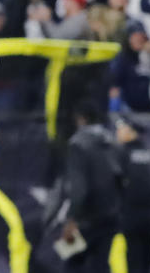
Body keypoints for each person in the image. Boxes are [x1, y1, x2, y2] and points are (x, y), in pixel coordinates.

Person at [61, 101, 124, 273]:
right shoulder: (111, 141)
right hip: (110, 216)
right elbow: (120, 177)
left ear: (81, 119)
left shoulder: (77, 144)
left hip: (85, 219)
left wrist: (72, 219)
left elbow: (79, 188)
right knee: (100, 266)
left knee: (71, 264)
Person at [116, 116, 150, 273]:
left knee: (133, 263)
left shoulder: (120, 153)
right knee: (146, 263)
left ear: (131, 131)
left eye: (121, 128)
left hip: (129, 218)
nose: (118, 132)